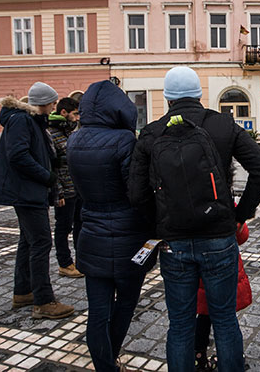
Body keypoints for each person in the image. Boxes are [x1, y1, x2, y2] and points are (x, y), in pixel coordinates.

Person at [129, 66, 260, 372]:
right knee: (224, 320)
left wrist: (159, 224)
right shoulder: (223, 124)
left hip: (174, 243)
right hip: (218, 236)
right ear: (198, 94)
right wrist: (239, 214)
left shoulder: (152, 133)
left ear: (167, 98)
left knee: (180, 326)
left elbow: (136, 193)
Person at [66, 80, 154, 372]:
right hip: (128, 234)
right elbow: (137, 192)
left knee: (98, 312)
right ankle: (110, 361)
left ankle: (106, 366)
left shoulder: (74, 140)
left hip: (91, 233)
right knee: (126, 303)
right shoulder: (124, 141)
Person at [0, 82, 74, 320]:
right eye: (52, 102)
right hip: (27, 192)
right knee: (41, 243)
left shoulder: (29, 121)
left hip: (29, 191)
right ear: (44, 103)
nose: (54, 106)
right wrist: (47, 176)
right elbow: (18, 155)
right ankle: (43, 301)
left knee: (28, 241)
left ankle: (23, 292)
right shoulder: (22, 121)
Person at [195, 221, 252, 371]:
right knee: (226, 320)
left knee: (203, 317)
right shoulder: (222, 200)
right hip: (222, 265)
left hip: (197, 273)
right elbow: (242, 235)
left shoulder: (181, 202)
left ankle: (198, 356)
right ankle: (230, 358)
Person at [48, 96, 83, 279]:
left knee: (80, 224)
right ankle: (64, 263)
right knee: (63, 228)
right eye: (75, 114)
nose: (77, 118)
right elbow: (52, 166)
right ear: (64, 113)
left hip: (77, 188)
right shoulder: (51, 133)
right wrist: (58, 191)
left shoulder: (70, 132)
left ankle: (80, 259)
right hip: (65, 191)